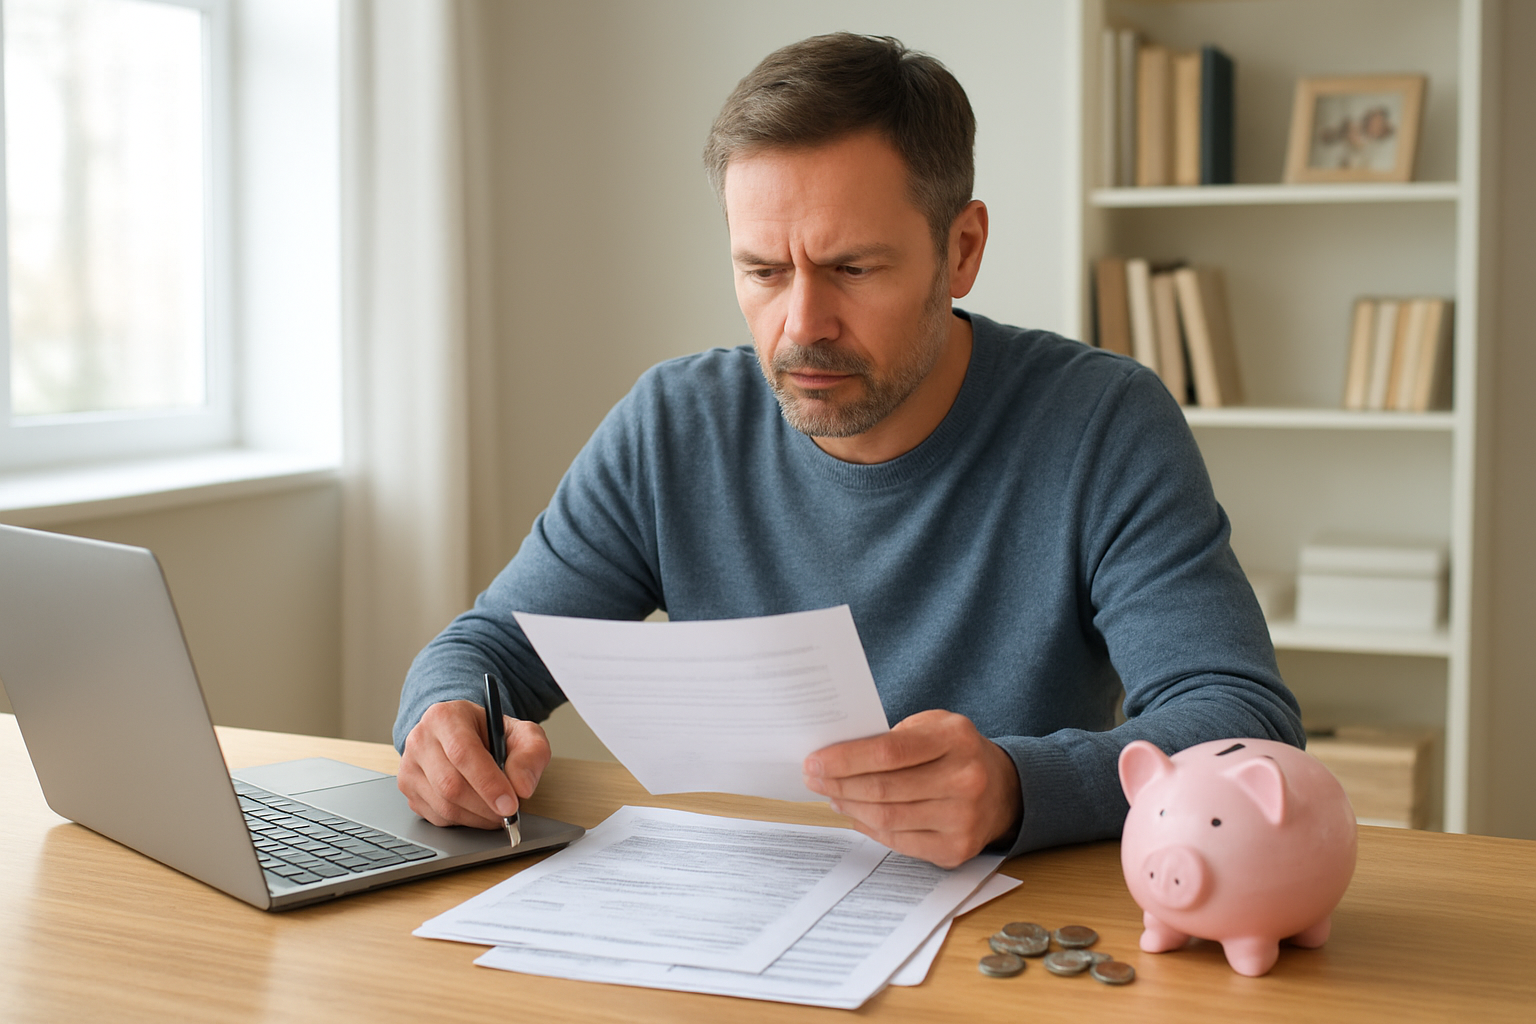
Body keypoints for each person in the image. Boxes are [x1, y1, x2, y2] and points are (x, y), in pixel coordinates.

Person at [392, 32, 1303, 869]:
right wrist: (444, 724)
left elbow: (1242, 726)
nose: (801, 326)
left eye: (852, 269)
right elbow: (491, 651)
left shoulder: (1103, 422)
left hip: (1011, 930)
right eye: (764, 270)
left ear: (962, 251)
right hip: (724, 918)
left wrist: (1017, 788)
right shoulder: (674, 423)